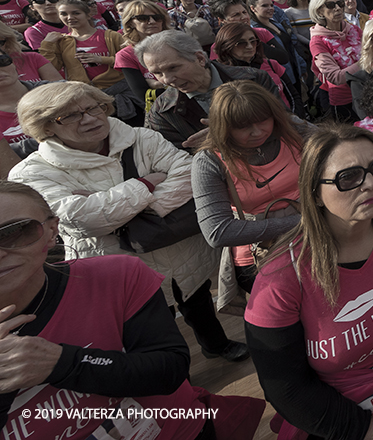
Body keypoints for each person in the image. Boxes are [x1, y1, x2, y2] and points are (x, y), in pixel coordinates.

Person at [0, 182, 265, 440]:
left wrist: (61, 363)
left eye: (16, 232)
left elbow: (169, 370)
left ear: (51, 230)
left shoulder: (115, 276)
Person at [7, 81, 248, 362]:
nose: (90, 118)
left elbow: (188, 174)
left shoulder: (142, 137)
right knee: (148, 324)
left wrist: (122, 208)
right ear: (46, 127)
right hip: (118, 262)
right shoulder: (31, 173)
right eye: (70, 115)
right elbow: (82, 218)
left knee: (197, 298)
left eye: (93, 107)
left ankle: (216, 345)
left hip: (179, 248)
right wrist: (145, 183)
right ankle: (174, 381)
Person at [244, 124, 373, 440]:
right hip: (341, 423)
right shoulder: (282, 278)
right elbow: (285, 387)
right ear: (315, 191)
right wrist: (366, 427)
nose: (370, 184)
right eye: (349, 177)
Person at [192, 80, 304, 297]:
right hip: (262, 256)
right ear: (223, 127)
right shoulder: (209, 161)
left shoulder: (294, 132)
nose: (257, 132)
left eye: (263, 120)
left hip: (316, 239)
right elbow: (217, 232)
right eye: (243, 127)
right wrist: (303, 223)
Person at [137, 30, 285, 150]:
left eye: (173, 68)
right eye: (158, 73)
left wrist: (227, 133)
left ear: (200, 58)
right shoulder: (162, 113)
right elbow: (177, 161)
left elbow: (284, 120)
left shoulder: (254, 79)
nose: (167, 80)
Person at [41, 0, 125, 90]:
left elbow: (129, 61)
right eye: (63, 14)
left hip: (117, 88)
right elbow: (54, 68)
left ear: (88, 15)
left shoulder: (112, 36)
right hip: (84, 92)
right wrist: (46, 45)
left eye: (76, 13)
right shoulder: (62, 41)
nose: (70, 18)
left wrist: (103, 59)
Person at [308, 0, 362, 121]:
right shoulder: (317, 42)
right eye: (331, 5)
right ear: (319, 11)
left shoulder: (353, 29)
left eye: (340, 4)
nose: (337, 8)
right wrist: (366, 63)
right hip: (345, 100)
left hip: (367, 91)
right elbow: (335, 77)